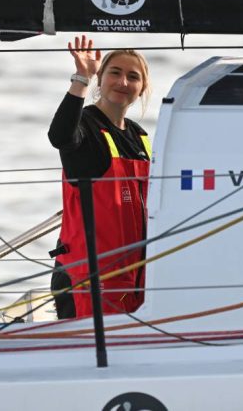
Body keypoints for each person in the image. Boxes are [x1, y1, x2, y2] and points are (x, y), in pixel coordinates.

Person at [48, 35, 152, 319]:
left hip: (134, 278)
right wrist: (81, 77)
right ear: (101, 79)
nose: (123, 82)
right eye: (115, 73)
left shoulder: (140, 137)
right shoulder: (86, 126)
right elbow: (59, 136)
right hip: (87, 277)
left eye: (133, 77)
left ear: (142, 89)